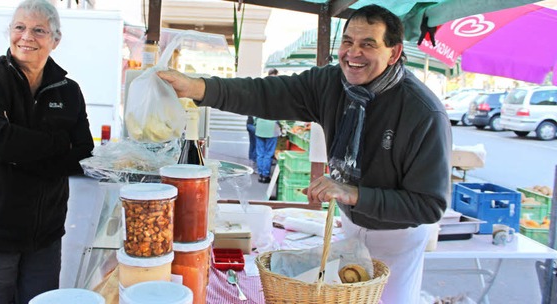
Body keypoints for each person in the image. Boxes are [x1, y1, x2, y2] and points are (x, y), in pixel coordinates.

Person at [158, 4, 451, 303]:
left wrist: (355, 194)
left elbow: (428, 205)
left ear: (394, 52)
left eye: (368, 44)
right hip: (349, 228)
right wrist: (197, 88)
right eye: (348, 42)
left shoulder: (423, 113)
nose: (353, 53)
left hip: (397, 241)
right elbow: (266, 93)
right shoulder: (331, 83)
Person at [0, 0, 94, 303]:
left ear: (55, 40)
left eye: (38, 30)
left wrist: (19, 152)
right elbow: (0, 141)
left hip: (44, 237)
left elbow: (83, 152)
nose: (26, 36)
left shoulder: (68, 91)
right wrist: (57, 143)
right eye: (19, 27)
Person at [254, 117, 280, 183]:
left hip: (260, 128)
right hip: (272, 128)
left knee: (260, 154)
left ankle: (261, 174)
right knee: (268, 154)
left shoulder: (259, 106)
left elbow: (254, 117)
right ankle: (265, 175)